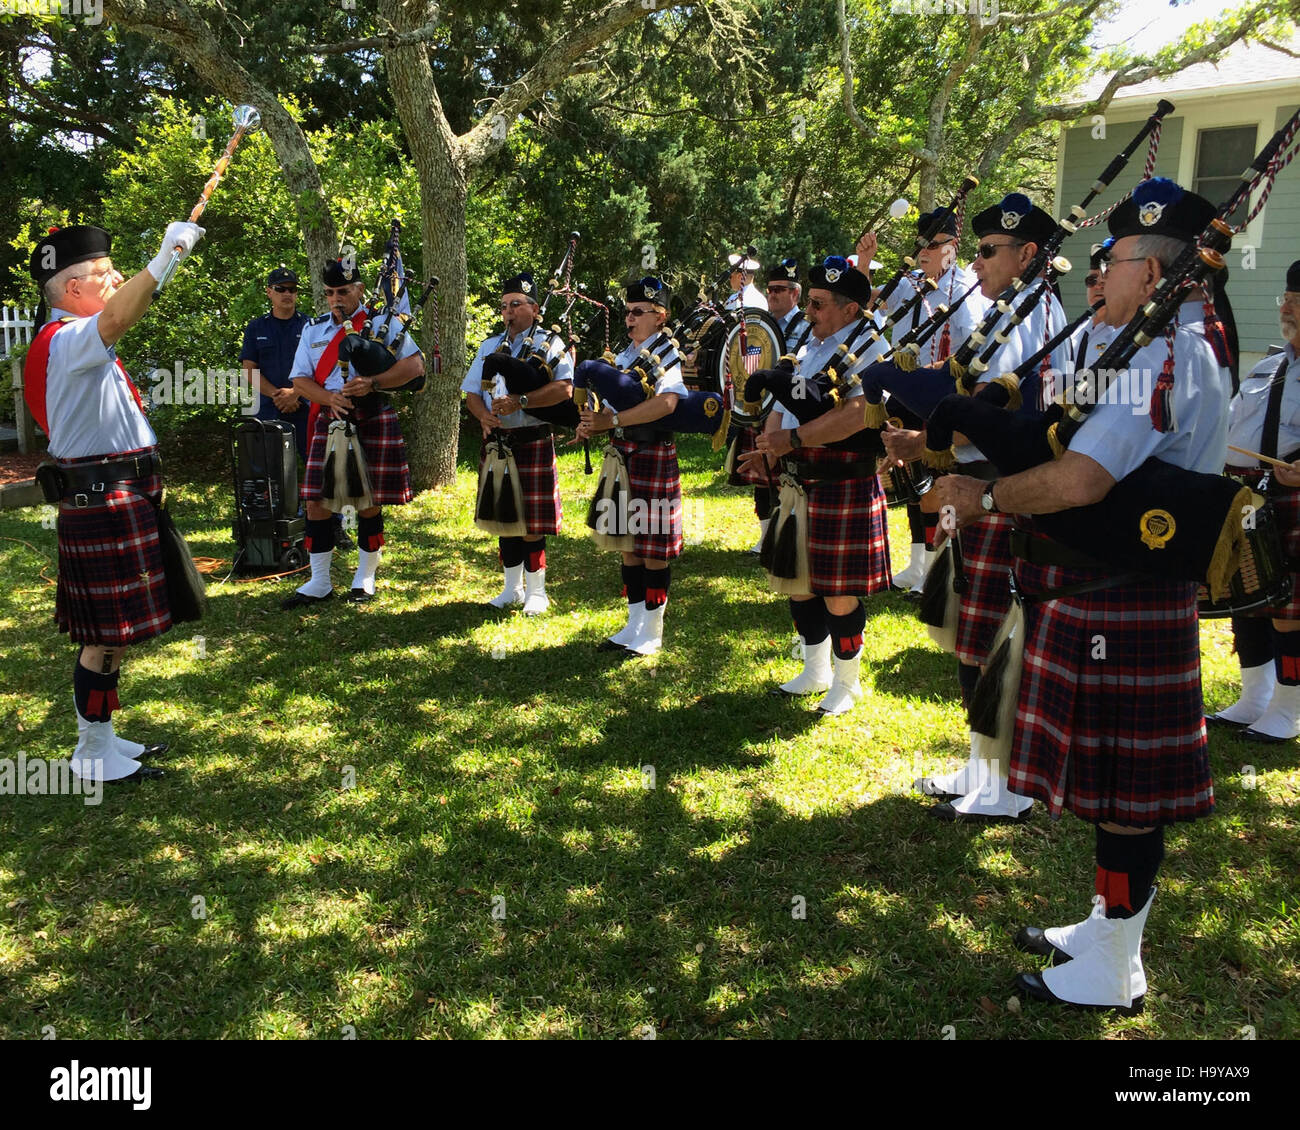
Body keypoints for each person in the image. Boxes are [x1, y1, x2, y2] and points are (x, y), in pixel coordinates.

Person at [929, 177, 1229, 1011]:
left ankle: (1116, 965)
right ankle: (1107, 928)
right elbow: (1054, 437)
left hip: (1126, 595)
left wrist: (983, 498)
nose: (1102, 274)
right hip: (1102, 593)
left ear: (1156, 270)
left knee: (1127, 801)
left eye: (1118, 259)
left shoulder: (1165, 357)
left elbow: (1081, 478)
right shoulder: (1140, 350)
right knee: (1109, 790)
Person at [882, 192, 1070, 821]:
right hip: (970, 485)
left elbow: (999, 410)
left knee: (989, 635)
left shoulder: (1033, 314)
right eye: (981, 248)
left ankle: (1004, 783)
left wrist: (924, 439)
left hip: (1000, 490)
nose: (980, 261)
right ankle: (980, 762)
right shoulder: (1009, 310)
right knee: (970, 629)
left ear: (1029, 254)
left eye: (991, 251)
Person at [24, 220, 205, 783]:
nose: (115, 279)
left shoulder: (77, 340)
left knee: (113, 633)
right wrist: (168, 254)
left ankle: (101, 739)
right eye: (104, 274)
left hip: (119, 495)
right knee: (102, 637)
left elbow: (118, 314)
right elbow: (122, 314)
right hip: (101, 498)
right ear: (73, 288)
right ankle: (90, 752)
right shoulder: (67, 339)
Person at [737, 255, 893, 715]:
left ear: (850, 309)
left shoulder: (869, 348)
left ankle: (847, 683)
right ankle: (815, 670)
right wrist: (770, 444)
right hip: (798, 478)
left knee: (840, 591)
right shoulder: (810, 347)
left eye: (820, 304)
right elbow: (787, 398)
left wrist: (795, 438)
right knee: (799, 581)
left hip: (843, 480)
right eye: (811, 302)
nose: (810, 311)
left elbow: (854, 415)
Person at [859, 212, 990, 593]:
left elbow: (971, 353)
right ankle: (918, 562)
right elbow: (872, 304)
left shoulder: (968, 291)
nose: (924, 254)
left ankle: (940, 567)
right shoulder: (911, 283)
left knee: (941, 483)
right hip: (905, 396)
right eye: (920, 246)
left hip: (944, 396)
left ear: (952, 247)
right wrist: (865, 263)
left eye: (933, 246)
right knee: (911, 482)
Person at [281, 256, 423, 608]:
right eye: (329, 293)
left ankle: (365, 578)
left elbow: (415, 368)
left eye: (342, 291)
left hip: (372, 415)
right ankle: (319, 581)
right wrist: (327, 396)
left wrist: (373, 382)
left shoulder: (383, 325)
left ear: (359, 289)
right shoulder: (314, 331)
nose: (335, 299)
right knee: (316, 503)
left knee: (368, 502)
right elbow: (300, 379)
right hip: (330, 419)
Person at [1211, 259, 1300, 741]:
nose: (1285, 307)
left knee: (1290, 611)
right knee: (1247, 597)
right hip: (1248, 496)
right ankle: (1255, 697)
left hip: (1293, 499)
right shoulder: (1269, 365)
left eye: (1296, 302)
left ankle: (1288, 710)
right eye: (1285, 299)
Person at [576, 276, 686, 657]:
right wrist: (593, 420)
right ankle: (634, 623)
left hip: (653, 453)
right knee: (628, 544)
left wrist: (614, 422)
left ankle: (653, 631)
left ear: (660, 316)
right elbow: (610, 404)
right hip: (622, 456)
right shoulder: (624, 354)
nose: (630, 318)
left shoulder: (668, 354)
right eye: (627, 312)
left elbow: (667, 404)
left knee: (654, 548)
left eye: (638, 312)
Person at [461, 271, 574, 614]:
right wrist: (482, 416)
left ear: (535, 308)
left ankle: (537, 591)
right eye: (504, 306)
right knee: (505, 516)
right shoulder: (488, 347)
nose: (508, 312)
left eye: (515, 304)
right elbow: (471, 394)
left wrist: (520, 402)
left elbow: (565, 389)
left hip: (532, 438)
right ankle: (512, 588)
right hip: (499, 441)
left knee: (532, 521)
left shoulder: (550, 345)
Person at [731, 257, 814, 556]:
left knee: (790, 474)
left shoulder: (807, 325)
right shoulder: (758, 324)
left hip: (791, 406)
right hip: (759, 404)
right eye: (770, 288)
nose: (773, 294)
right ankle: (766, 535)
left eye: (781, 289)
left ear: (796, 293)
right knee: (761, 471)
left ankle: (790, 530)